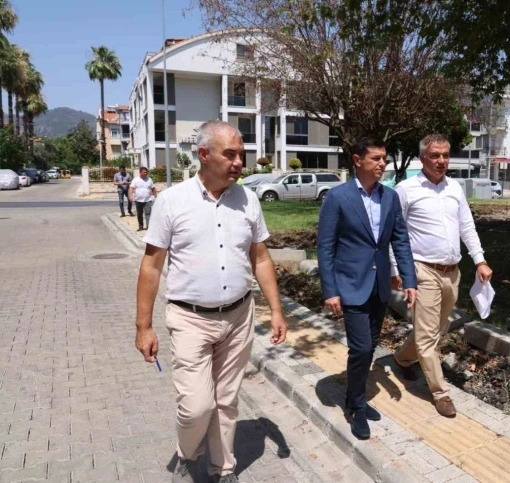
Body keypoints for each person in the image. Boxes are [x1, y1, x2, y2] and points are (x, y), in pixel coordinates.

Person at [135, 120, 288, 483]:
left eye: (241, 155)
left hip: (238, 316)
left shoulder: (248, 200)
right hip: (190, 319)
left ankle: (223, 468)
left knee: (226, 400)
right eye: (230, 154)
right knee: (196, 407)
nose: (239, 162)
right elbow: (152, 265)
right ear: (204, 154)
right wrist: (143, 327)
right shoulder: (172, 201)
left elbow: (260, 258)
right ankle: (188, 453)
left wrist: (276, 310)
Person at [317, 137, 417, 440]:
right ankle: (357, 407)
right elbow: (325, 247)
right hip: (350, 284)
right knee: (360, 347)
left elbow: (400, 240)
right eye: (375, 158)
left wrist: (409, 280)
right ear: (357, 160)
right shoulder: (338, 197)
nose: (382, 163)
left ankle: (354, 396)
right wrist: (330, 290)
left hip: (379, 284)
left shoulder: (390, 197)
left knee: (370, 345)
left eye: (384, 158)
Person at [391, 134, 493, 418]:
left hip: (452, 272)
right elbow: (394, 233)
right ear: (422, 157)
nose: (441, 161)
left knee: (437, 329)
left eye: (446, 155)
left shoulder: (455, 188)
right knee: (427, 336)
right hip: (422, 270)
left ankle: (401, 358)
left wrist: (480, 260)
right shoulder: (405, 190)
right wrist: (396, 269)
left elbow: (467, 227)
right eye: (435, 155)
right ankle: (440, 392)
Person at [129, 167, 157, 231]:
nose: (145, 173)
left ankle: (148, 226)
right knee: (139, 214)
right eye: (144, 172)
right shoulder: (135, 180)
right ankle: (141, 226)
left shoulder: (149, 180)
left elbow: (153, 188)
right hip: (138, 200)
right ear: (140, 172)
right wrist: (130, 196)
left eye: (146, 172)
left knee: (148, 213)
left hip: (147, 200)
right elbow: (131, 188)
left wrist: (156, 196)